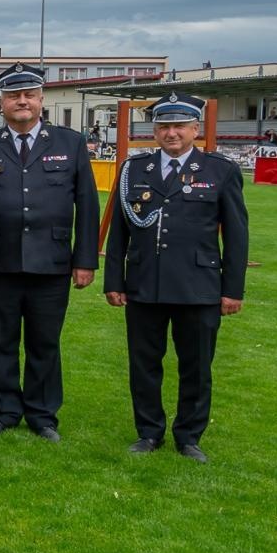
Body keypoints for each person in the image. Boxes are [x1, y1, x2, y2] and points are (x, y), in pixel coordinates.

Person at [105, 92, 248, 463]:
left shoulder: (220, 170)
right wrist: (114, 281)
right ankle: (149, 432)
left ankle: (189, 436)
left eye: (179, 126)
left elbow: (236, 235)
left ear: (195, 129)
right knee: (144, 364)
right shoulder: (134, 170)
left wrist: (232, 290)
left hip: (198, 286)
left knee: (196, 366)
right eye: (164, 126)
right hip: (144, 283)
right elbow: (119, 232)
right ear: (155, 130)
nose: (171, 133)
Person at [0, 64, 99, 442]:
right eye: (13, 96)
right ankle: (4, 411)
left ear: (41, 100)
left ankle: (42, 415)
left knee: (45, 341)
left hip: (51, 261)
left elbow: (87, 205)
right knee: (0, 340)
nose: (21, 101)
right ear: (2, 102)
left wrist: (85, 259)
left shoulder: (69, 143)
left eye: (28, 95)